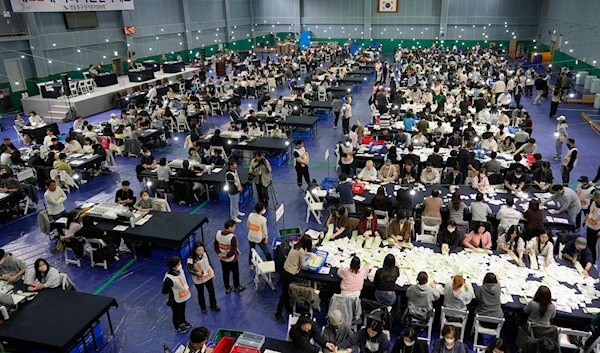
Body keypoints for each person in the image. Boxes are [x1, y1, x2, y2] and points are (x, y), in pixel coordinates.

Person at [274, 235, 313, 323]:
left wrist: (310, 254)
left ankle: (288, 307)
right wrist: (309, 261)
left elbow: (302, 253)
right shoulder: (301, 251)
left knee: (287, 291)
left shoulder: (295, 245)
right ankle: (278, 314)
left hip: (285, 270)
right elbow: (303, 265)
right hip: (289, 273)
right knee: (284, 294)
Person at [187, 242, 220, 314]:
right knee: (200, 293)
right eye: (198, 250)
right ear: (195, 250)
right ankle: (203, 307)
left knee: (211, 291)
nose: (201, 252)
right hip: (198, 279)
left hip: (208, 276)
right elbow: (189, 269)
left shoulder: (205, 254)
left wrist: (212, 273)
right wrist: (196, 273)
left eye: (202, 249)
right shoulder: (191, 258)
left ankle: (213, 305)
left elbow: (209, 263)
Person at [162, 256, 191, 333]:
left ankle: (182, 321)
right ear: (173, 267)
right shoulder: (169, 279)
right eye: (178, 264)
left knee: (182, 309)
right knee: (176, 312)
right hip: (175, 298)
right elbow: (165, 290)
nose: (180, 265)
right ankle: (177, 326)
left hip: (182, 295)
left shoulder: (180, 271)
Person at [214, 219, 245, 293]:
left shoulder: (218, 234)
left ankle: (227, 287)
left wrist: (219, 253)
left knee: (225, 273)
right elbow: (233, 250)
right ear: (230, 228)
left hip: (222, 259)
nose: (235, 228)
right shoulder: (232, 237)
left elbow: (215, 245)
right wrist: (227, 256)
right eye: (234, 227)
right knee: (235, 273)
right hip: (232, 259)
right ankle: (237, 286)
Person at [247, 202, 271, 268]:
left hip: (250, 236)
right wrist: (266, 237)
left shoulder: (250, 215)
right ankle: (270, 262)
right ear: (261, 211)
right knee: (266, 250)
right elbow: (264, 230)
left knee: (251, 250)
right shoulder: (263, 219)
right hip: (259, 238)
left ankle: (250, 264)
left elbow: (248, 225)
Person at [584, 191, 600, 262]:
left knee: (593, 245)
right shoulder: (592, 202)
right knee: (588, 243)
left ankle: (593, 260)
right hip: (589, 225)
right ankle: (588, 258)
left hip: (596, 229)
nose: (593, 199)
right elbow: (588, 210)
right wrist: (584, 220)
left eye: (595, 198)